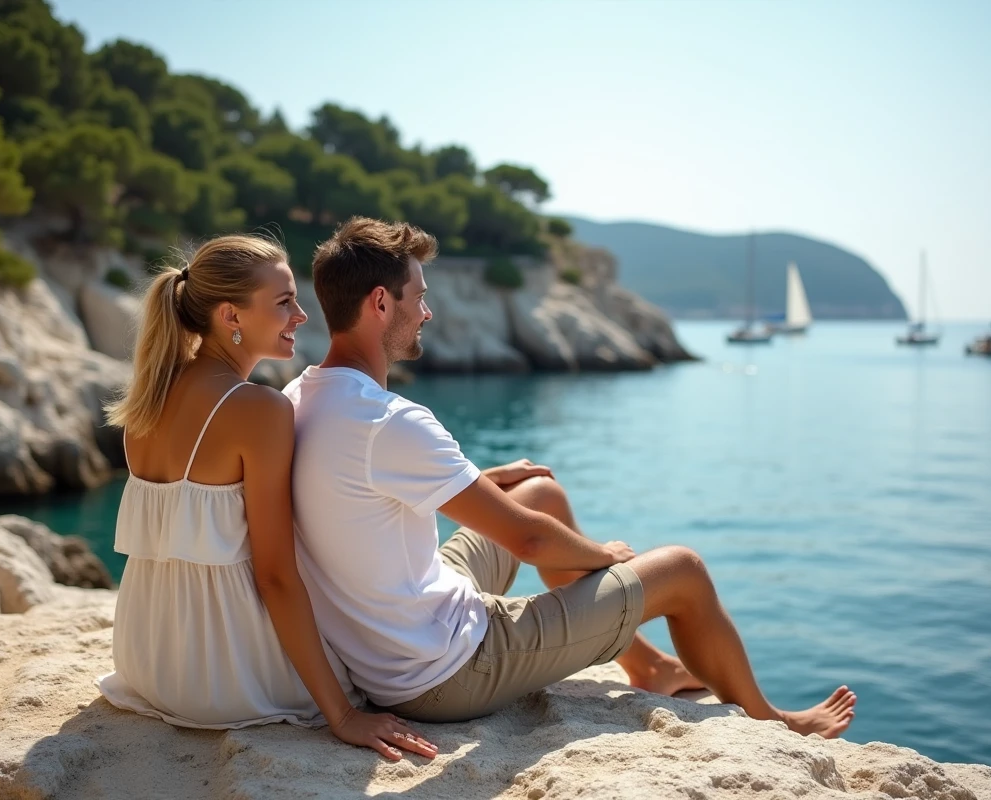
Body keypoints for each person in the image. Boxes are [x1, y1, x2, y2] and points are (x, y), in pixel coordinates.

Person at [284, 218, 857, 737]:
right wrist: (604, 556)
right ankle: (776, 722)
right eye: (420, 298)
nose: (427, 313)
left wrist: (475, 478)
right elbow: (528, 542)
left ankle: (650, 666)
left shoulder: (300, 398)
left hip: (392, 636)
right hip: (443, 672)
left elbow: (356, 493)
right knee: (682, 570)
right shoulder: (392, 422)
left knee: (539, 493)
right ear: (381, 303)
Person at [96, 233, 437, 761]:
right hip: (222, 678)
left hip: (147, 660)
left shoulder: (148, 398)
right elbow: (275, 576)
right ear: (231, 316)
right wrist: (342, 715)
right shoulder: (259, 410)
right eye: (284, 303)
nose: (301, 316)